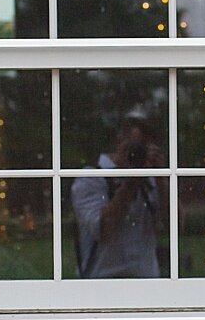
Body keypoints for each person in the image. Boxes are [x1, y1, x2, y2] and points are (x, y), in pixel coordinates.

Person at [72, 115, 168, 278]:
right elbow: (103, 230)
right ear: (119, 143)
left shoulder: (152, 180)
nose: (138, 154)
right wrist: (131, 182)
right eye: (135, 147)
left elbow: (176, 226)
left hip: (147, 284)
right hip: (101, 285)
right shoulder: (91, 178)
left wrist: (161, 177)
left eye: (144, 149)